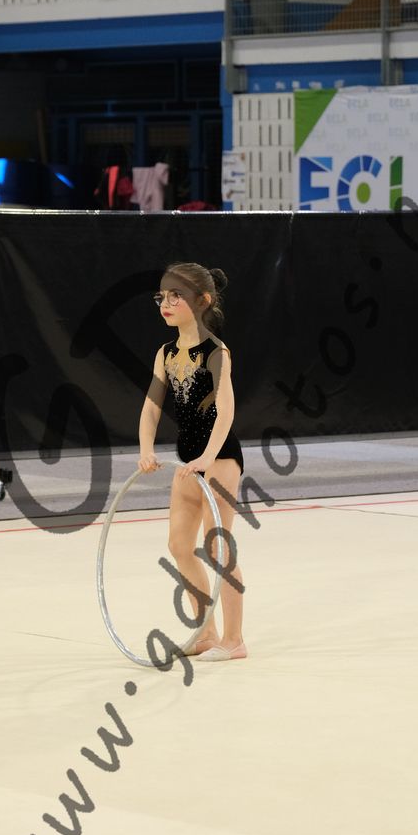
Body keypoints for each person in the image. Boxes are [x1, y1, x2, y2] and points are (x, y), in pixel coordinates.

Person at [136, 262, 247, 661]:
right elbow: (152, 406)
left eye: (175, 296)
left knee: (216, 549)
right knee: (179, 544)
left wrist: (208, 456)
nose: (165, 304)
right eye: (162, 297)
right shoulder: (166, 353)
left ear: (202, 301)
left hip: (219, 456)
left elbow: (225, 410)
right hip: (190, 459)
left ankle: (234, 639)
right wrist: (146, 448)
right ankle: (206, 634)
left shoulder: (216, 351)